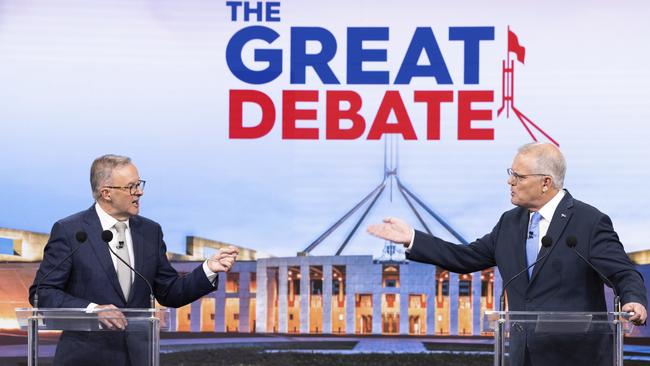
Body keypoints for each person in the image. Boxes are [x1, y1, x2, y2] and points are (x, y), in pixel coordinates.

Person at [368, 142, 647, 366]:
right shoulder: (509, 223)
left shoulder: (589, 221)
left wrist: (634, 301)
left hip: (577, 356)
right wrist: (413, 239)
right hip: (521, 355)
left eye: (518, 176)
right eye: (510, 173)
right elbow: (464, 257)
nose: (509, 181)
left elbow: (622, 272)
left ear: (546, 183)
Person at [29, 154, 239, 366]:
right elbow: (43, 292)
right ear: (106, 193)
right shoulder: (71, 231)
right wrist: (93, 310)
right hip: (86, 357)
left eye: (139, 184)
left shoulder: (150, 231)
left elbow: (169, 292)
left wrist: (209, 269)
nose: (140, 192)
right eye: (131, 187)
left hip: (139, 358)